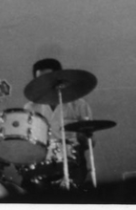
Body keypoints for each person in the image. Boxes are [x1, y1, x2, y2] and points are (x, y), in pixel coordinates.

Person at [22, 58, 92, 189]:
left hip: (73, 162)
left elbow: (90, 143)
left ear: (59, 79)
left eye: (48, 78)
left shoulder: (79, 105)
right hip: (41, 162)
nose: (44, 83)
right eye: (40, 80)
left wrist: (84, 138)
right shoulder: (30, 108)